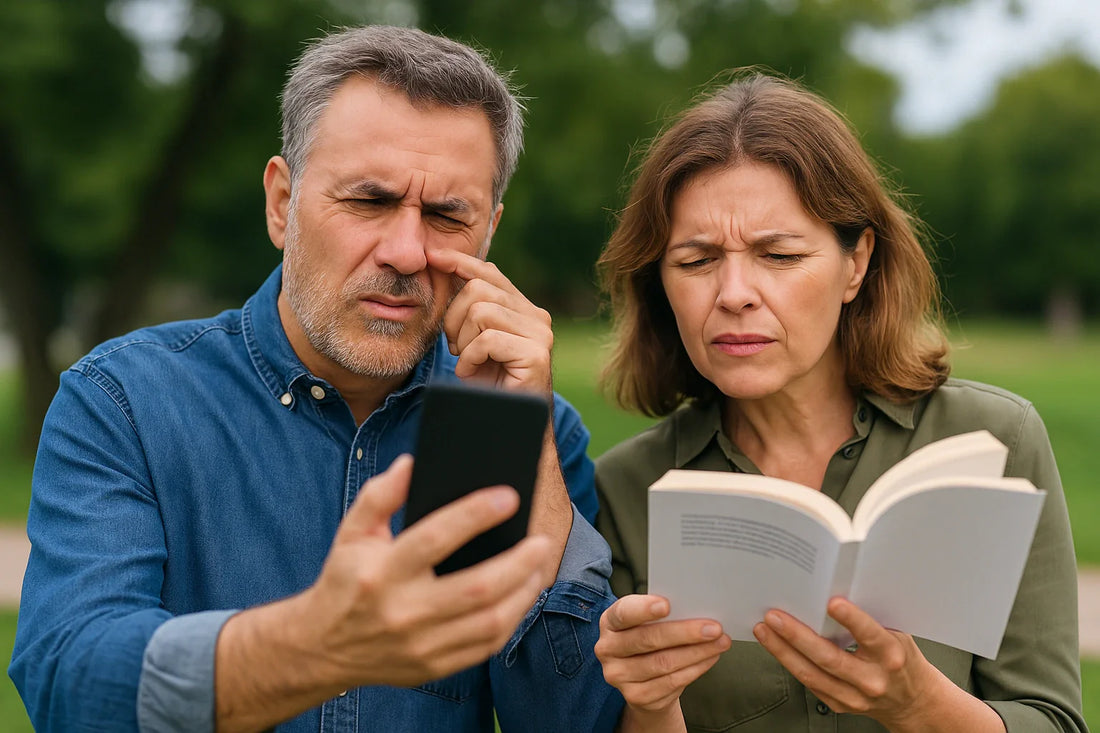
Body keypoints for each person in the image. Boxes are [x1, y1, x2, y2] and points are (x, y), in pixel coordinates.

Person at [9, 25, 623, 733]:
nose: (405, 251)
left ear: (489, 231)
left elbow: (574, 722)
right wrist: (315, 645)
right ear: (281, 203)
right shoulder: (126, 401)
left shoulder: (534, 426)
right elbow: (69, 679)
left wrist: (528, 443)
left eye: (447, 215)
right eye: (368, 201)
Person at [591, 70, 1086, 732]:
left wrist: (919, 703)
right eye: (697, 260)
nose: (734, 292)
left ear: (856, 264)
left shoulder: (996, 439)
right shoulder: (626, 488)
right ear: (661, 281)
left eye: (778, 254)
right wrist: (649, 704)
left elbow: (1054, 718)